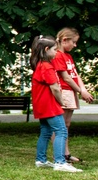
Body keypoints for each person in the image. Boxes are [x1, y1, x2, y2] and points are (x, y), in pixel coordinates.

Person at [31, 35, 80, 172]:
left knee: (46, 132)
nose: (56, 52)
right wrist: (61, 101)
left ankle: (40, 160)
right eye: (54, 50)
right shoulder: (47, 67)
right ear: (47, 49)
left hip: (41, 105)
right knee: (61, 131)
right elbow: (55, 88)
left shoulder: (39, 65)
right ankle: (60, 162)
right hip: (50, 105)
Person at [52, 27, 94, 164]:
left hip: (71, 92)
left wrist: (83, 89)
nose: (75, 45)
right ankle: (59, 155)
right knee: (60, 125)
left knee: (66, 124)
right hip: (64, 92)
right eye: (74, 42)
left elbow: (75, 75)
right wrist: (81, 91)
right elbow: (66, 78)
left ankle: (66, 153)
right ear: (65, 40)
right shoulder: (58, 56)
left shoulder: (68, 56)